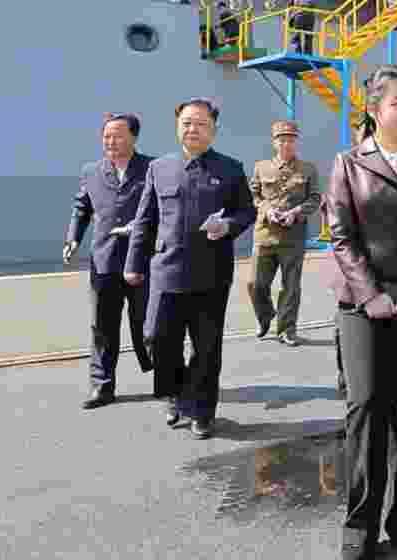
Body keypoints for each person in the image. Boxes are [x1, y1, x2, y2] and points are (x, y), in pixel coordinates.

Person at [325, 65, 397, 560]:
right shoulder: (347, 163)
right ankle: (360, 524)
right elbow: (341, 236)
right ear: (374, 111)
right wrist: (370, 293)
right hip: (360, 303)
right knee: (366, 405)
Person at [124, 97, 256, 440]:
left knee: (206, 348)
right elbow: (144, 221)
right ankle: (176, 394)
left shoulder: (230, 168)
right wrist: (133, 264)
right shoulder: (160, 168)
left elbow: (247, 212)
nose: (192, 128)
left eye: (200, 123)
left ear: (213, 130)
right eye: (186, 122)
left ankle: (202, 411)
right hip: (166, 270)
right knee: (157, 338)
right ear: (177, 126)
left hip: (210, 274)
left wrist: (228, 227)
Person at [65, 113, 155, 409]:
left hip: (143, 260)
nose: (110, 141)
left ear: (133, 137)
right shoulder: (92, 171)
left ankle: (166, 382)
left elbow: (164, 209)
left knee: (149, 326)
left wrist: (139, 229)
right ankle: (102, 386)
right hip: (104, 261)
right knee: (102, 327)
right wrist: (73, 238)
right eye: (106, 136)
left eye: (117, 135)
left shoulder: (152, 169)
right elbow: (82, 208)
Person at [247, 119, 320, 347]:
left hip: (293, 237)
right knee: (255, 284)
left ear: (296, 141)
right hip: (265, 235)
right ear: (274, 142)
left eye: (290, 139)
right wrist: (267, 210)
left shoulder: (308, 169)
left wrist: (296, 212)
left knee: (291, 286)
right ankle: (265, 315)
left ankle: (287, 329)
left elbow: (316, 198)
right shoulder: (261, 167)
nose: (286, 143)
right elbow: (253, 196)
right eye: (282, 139)